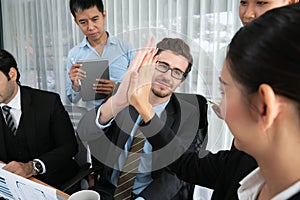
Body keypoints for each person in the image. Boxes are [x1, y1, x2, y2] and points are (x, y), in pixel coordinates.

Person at [141, 4, 300, 200]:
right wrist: (144, 108)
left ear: (264, 107)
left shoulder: (191, 111)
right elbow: (185, 163)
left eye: (223, 91)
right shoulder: (242, 163)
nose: (220, 110)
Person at [77, 37, 208, 199]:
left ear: (181, 81)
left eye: (176, 72)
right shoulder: (124, 92)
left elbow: (175, 175)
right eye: (163, 66)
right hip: (110, 190)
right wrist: (117, 103)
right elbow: (84, 132)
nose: (167, 77)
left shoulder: (189, 114)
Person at [0, 49, 80, 191]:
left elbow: (69, 147)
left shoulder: (48, 102)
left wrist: (33, 167)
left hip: (52, 183)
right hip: (11, 188)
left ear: (12, 74)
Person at [66, 0, 135, 110]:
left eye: (95, 19)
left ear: (104, 15)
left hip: (124, 117)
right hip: (93, 119)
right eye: (83, 22)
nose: (91, 27)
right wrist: (75, 86)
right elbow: (73, 100)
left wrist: (117, 89)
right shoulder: (74, 55)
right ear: (76, 22)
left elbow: (140, 89)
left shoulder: (126, 48)